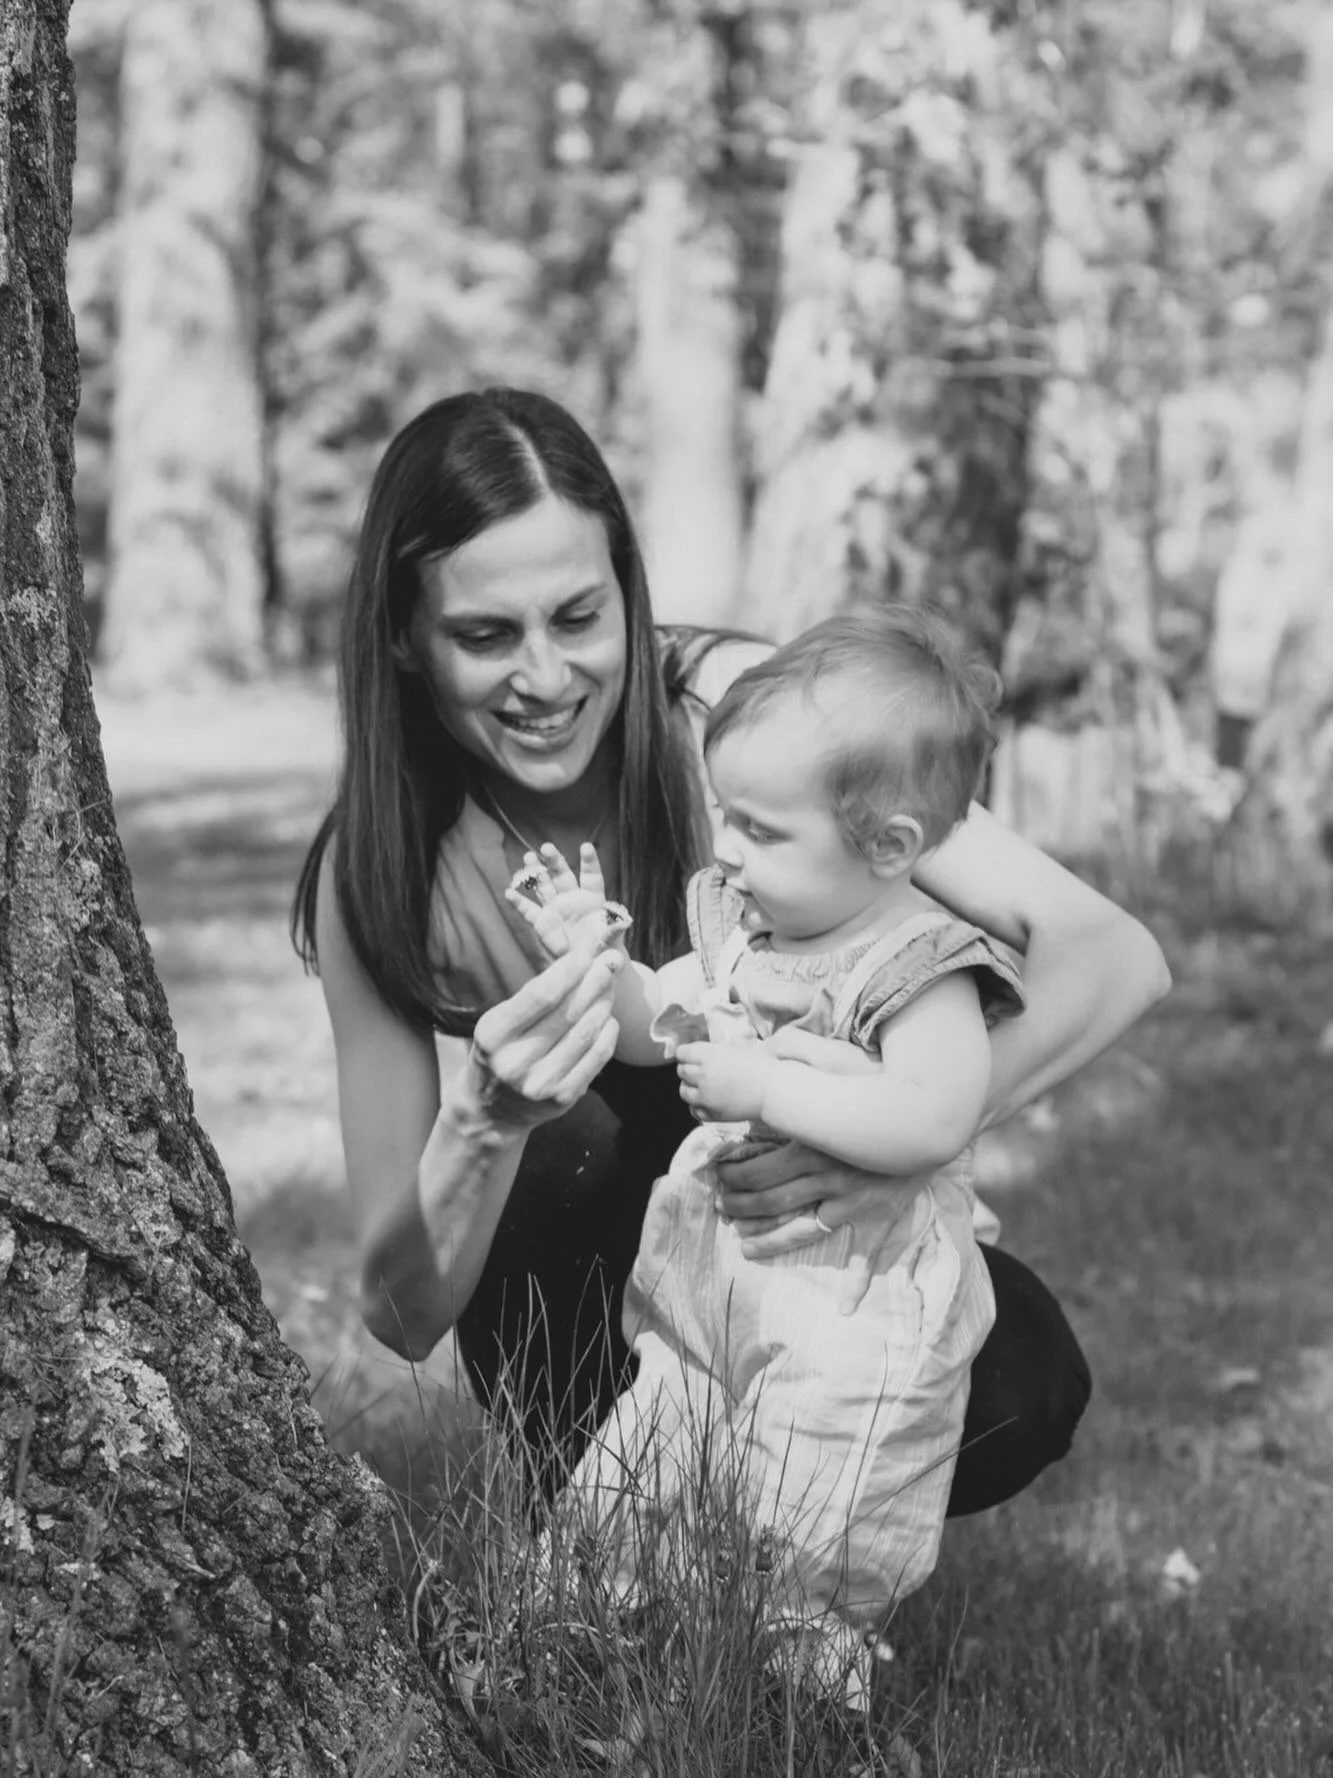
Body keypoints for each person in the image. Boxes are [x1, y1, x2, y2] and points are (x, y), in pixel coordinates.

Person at [290, 385, 1171, 1511]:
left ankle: (778, 1539)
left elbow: (1108, 952)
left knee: (1023, 1373)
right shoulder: (378, 871)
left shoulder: (734, 712)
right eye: (482, 635)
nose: (547, 678)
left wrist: (877, 1125)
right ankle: (624, 1521)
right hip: (580, 1271)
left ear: (626, 589)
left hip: (787, 1223)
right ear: (406, 639)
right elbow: (403, 1313)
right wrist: (480, 1121)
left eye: (577, 617)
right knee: (570, 1121)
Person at [505, 606, 1027, 1677]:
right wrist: (596, 957)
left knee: (813, 1495)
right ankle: (576, 1633)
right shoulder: (746, 932)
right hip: (713, 1284)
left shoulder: (917, 967)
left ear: (888, 845)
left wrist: (768, 1083)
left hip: (855, 1300)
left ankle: (792, 1685)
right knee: (641, 1455)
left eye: (760, 828)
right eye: (725, 816)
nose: (727, 851)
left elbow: (933, 1117)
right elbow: (656, 1026)